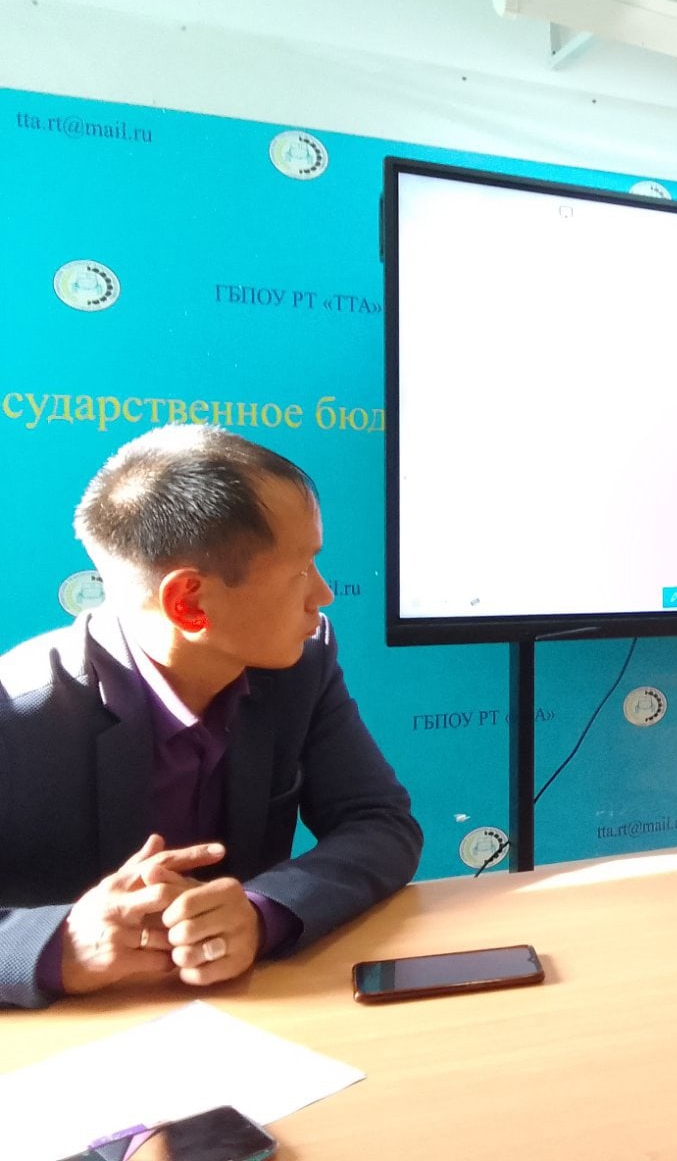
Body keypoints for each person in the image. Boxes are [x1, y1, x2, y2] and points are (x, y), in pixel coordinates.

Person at [0, 425, 422, 1008]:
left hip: (254, 1015)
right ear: (190, 603)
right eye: (302, 568)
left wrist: (262, 911)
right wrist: (58, 946)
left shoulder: (301, 666)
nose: (323, 594)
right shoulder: (17, 710)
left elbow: (380, 823)